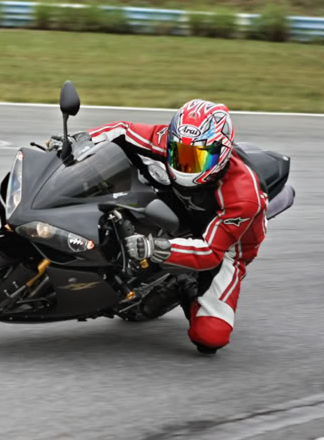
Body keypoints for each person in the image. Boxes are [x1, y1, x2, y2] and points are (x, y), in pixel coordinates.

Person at [85, 100, 267, 354]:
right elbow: (122, 130)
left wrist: (154, 248)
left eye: (197, 158)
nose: (185, 164)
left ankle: (181, 283)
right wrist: (80, 140)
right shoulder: (166, 140)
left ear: (221, 153)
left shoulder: (243, 196)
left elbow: (210, 252)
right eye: (179, 153)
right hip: (184, 205)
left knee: (210, 337)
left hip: (226, 246)